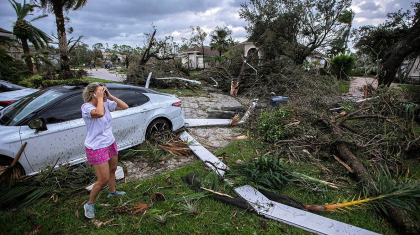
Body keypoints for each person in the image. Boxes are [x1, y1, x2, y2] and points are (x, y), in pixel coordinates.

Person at [81, 83, 129, 219]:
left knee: (113, 170)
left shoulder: (106, 103)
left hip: (109, 143)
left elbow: (125, 106)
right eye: (100, 91)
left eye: (104, 90)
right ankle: (89, 204)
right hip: (96, 147)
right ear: (92, 94)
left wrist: (110, 96)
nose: (103, 92)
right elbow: (100, 113)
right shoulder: (86, 107)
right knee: (103, 179)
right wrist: (101, 99)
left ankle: (112, 192)